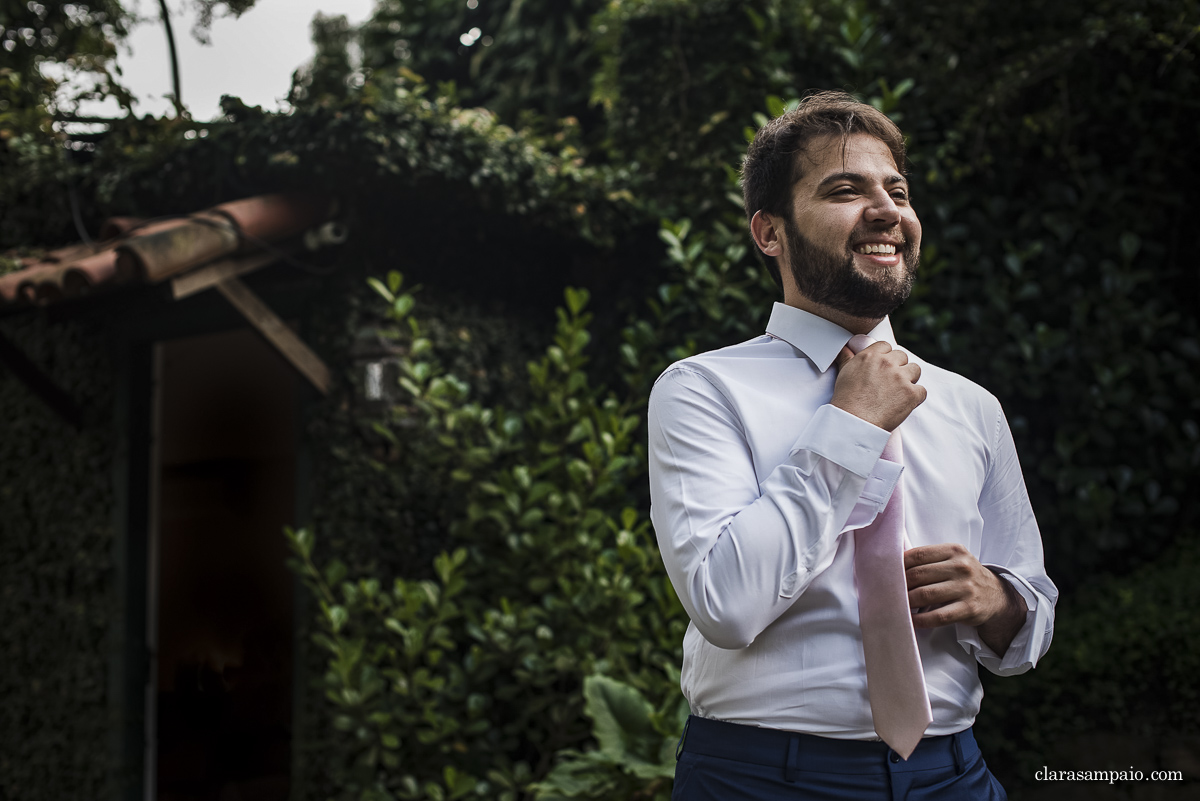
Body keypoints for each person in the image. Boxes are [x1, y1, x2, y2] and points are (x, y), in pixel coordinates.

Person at [647, 90, 1057, 800]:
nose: (887, 210)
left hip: (952, 774)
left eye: (896, 190)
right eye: (845, 189)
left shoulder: (971, 406)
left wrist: (999, 602)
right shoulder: (700, 389)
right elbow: (725, 604)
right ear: (769, 233)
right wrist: (853, 427)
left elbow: (1031, 609)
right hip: (759, 779)